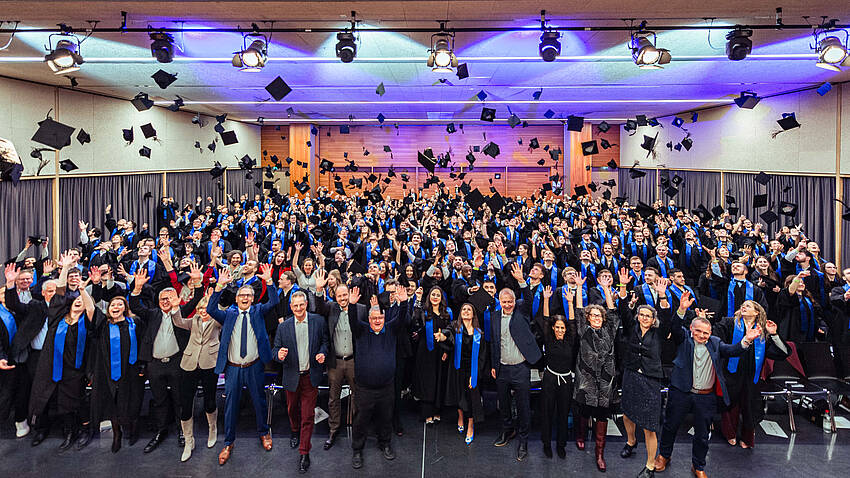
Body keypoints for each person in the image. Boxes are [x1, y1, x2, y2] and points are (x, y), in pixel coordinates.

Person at [655, 291, 760, 478]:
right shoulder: (684, 339)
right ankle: (664, 456)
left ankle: (699, 466)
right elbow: (674, 326)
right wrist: (681, 309)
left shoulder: (716, 342)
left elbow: (733, 350)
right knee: (670, 426)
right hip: (681, 392)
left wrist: (746, 340)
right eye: (699, 332)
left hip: (705, 396)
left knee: (702, 435)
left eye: (706, 333)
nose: (702, 336)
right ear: (691, 330)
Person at [206, 264, 280, 465]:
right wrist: (220, 286)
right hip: (232, 368)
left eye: (248, 295)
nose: (245, 297)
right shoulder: (228, 313)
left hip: (254, 366)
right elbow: (210, 309)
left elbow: (274, 301)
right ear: (237, 298)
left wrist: (269, 281)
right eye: (241, 295)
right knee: (230, 407)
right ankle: (228, 442)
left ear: (253, 298)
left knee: (259, 402)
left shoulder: (258, 311)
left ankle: (264, 433)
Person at [129, 267, 203, 453]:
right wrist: (137, 288)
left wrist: (197, 282)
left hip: (176, 363)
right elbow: (136, 306)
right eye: (162, 298)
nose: (165, 301)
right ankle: (161, 431)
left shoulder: (182, 312)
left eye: (169, 298)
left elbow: (197, 298)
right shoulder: (152, 314)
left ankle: (182, 431)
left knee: (179, 399)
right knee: (159, 399)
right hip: (155, 365)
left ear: (176, 299)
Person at [348, 286, 410, 470]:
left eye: (380, 318)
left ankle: (385, 444)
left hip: (386, 387)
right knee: (360, 420)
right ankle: (357, 450)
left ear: (384, 318)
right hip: (364, 388)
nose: (377, 320)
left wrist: (404, 302)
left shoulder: (390, 330)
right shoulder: (361, 331)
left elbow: (400, 319)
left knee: (385, 418)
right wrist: (352, 305)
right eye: (374, 318)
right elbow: (352, 321)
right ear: (368, 319)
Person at [28, 284, 95, 451]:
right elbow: (58, 297)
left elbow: (92, 309)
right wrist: (65, 268)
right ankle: (70, 432)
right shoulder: (58, 319)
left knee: (78, 402)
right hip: (55, 367)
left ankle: (86, 429)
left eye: (82, 300)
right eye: (76, 300)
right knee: (62, 404)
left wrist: (82, 291)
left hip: (76, 370)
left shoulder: (86, 322)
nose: (79, 301)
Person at [619, 274, 673, 478]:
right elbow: (624, 309)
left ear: (653, 319)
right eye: (641, 314)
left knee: (649, 426)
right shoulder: (631, 329)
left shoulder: (658, 333)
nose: (643, 317)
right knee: (627, 414)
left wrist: (661, 295)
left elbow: (667, 317)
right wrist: (623, 286)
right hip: (631, 375)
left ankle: (650, 465)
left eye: (648, 315)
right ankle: (631, 441)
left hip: (650, 380)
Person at [716, 301, 789, 450]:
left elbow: (783, 353)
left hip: (751, 376)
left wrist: (774, 334)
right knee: (730, 405)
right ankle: (730, 434)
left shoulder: (762, 330)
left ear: (757, 312)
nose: (744, 307)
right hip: (731, 373)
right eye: (742, 305)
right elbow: (718, 342)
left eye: (748, 306)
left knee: (750, 406)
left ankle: (747, 438)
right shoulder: (729, 323)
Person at [273, 290, 329, 474]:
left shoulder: (318, 321)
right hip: (291, 376)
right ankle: (294, 430)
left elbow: (325, 342)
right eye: (295, 305)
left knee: (308, 415)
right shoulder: (283, 327)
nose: (298, 308)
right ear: (291, 307)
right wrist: (279, 355)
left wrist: (323, 353)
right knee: (292, 409)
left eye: (301, 305)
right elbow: (275, 350)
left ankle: (304, 452)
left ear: (306, 304)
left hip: (310, 376)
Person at [490, 263, 542, 462]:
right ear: (499, 302)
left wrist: (522, 280)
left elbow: (528, 299)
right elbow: (495, 342)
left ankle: (523, 441)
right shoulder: (495, 317)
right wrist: (495, 366)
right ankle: (507, 430)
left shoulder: (521, 311)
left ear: (514, 301)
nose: (507, 305)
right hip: (502, 368)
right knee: (503, 404)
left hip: (521, 368)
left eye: (510, 301)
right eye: (504, 302)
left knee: (523, 406)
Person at [313, 271, 367, 450]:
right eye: (340, 296)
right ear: (335, 297)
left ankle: (358, 429)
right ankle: (333, 429)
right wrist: (319, 290)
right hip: (335, 363)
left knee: (358, 396)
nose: (343, 298)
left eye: (345, 295)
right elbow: (319, 307)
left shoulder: (360, 309)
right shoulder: (331, 308)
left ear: (350, 294)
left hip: (354, 362)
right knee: (333, 398)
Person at [171, 270, 221, 462]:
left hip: (209, 363)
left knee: (209, 401)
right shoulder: (193, 321)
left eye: (205, 308)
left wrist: (213, 297)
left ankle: (212, 429)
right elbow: (179, 322)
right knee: (185, 404)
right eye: (200, 309)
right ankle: (189, 440)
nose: (203, 311)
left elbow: (219, 314)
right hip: (189, 363)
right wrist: (175, 309)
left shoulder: (217, 321)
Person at [573, 272, 620, 472]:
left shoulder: (610, 329)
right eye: (592, 315)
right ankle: (581, 435)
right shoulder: (583, 329)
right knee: (584, 412)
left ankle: (599, 454)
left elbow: (613, 311)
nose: (596, 318)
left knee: (602, 417)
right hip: (586, 380)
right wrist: (578, 288)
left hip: (606, 382)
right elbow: (578, 309)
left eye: (599, 315)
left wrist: (607, 289)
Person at [537, 285, 578, 459]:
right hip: (550, 379)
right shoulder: (549, 337)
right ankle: (546, 444)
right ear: (553, 328)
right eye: (557, 327)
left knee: (563, 413)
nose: (560, 330)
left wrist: (570, 303)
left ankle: (561, 445)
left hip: (566, 381)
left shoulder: (570, 340)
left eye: (562, 327)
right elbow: (545, 319)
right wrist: (546, 299)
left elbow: (573, 322)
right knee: (547, 412)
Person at [444, 303, 488, 445]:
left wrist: (475, 374)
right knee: (459, 394)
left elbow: (482, 357)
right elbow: (447, 334)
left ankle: (470, 425)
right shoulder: (455, 328)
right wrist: (442, 336)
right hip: (457, 367)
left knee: (471, 398)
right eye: (463, 309)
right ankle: (460, 417)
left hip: (472, 368)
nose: (466, 311)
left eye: (469, 309)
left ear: (473, 314)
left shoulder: (479, 334)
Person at [412, 285, 452, 424]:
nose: (435, 297)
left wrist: (447, 349)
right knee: (427, 381)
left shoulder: (447, 313)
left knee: (439, 380)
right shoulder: (424, 311)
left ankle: (437, 411)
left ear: (442, 298)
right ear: (429, 297)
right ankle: (427, 413)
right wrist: (417, 299)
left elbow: (450, 332)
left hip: (441, 351)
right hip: (425, 351)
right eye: (433, 294)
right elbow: (415, 321)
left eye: (438, 295)